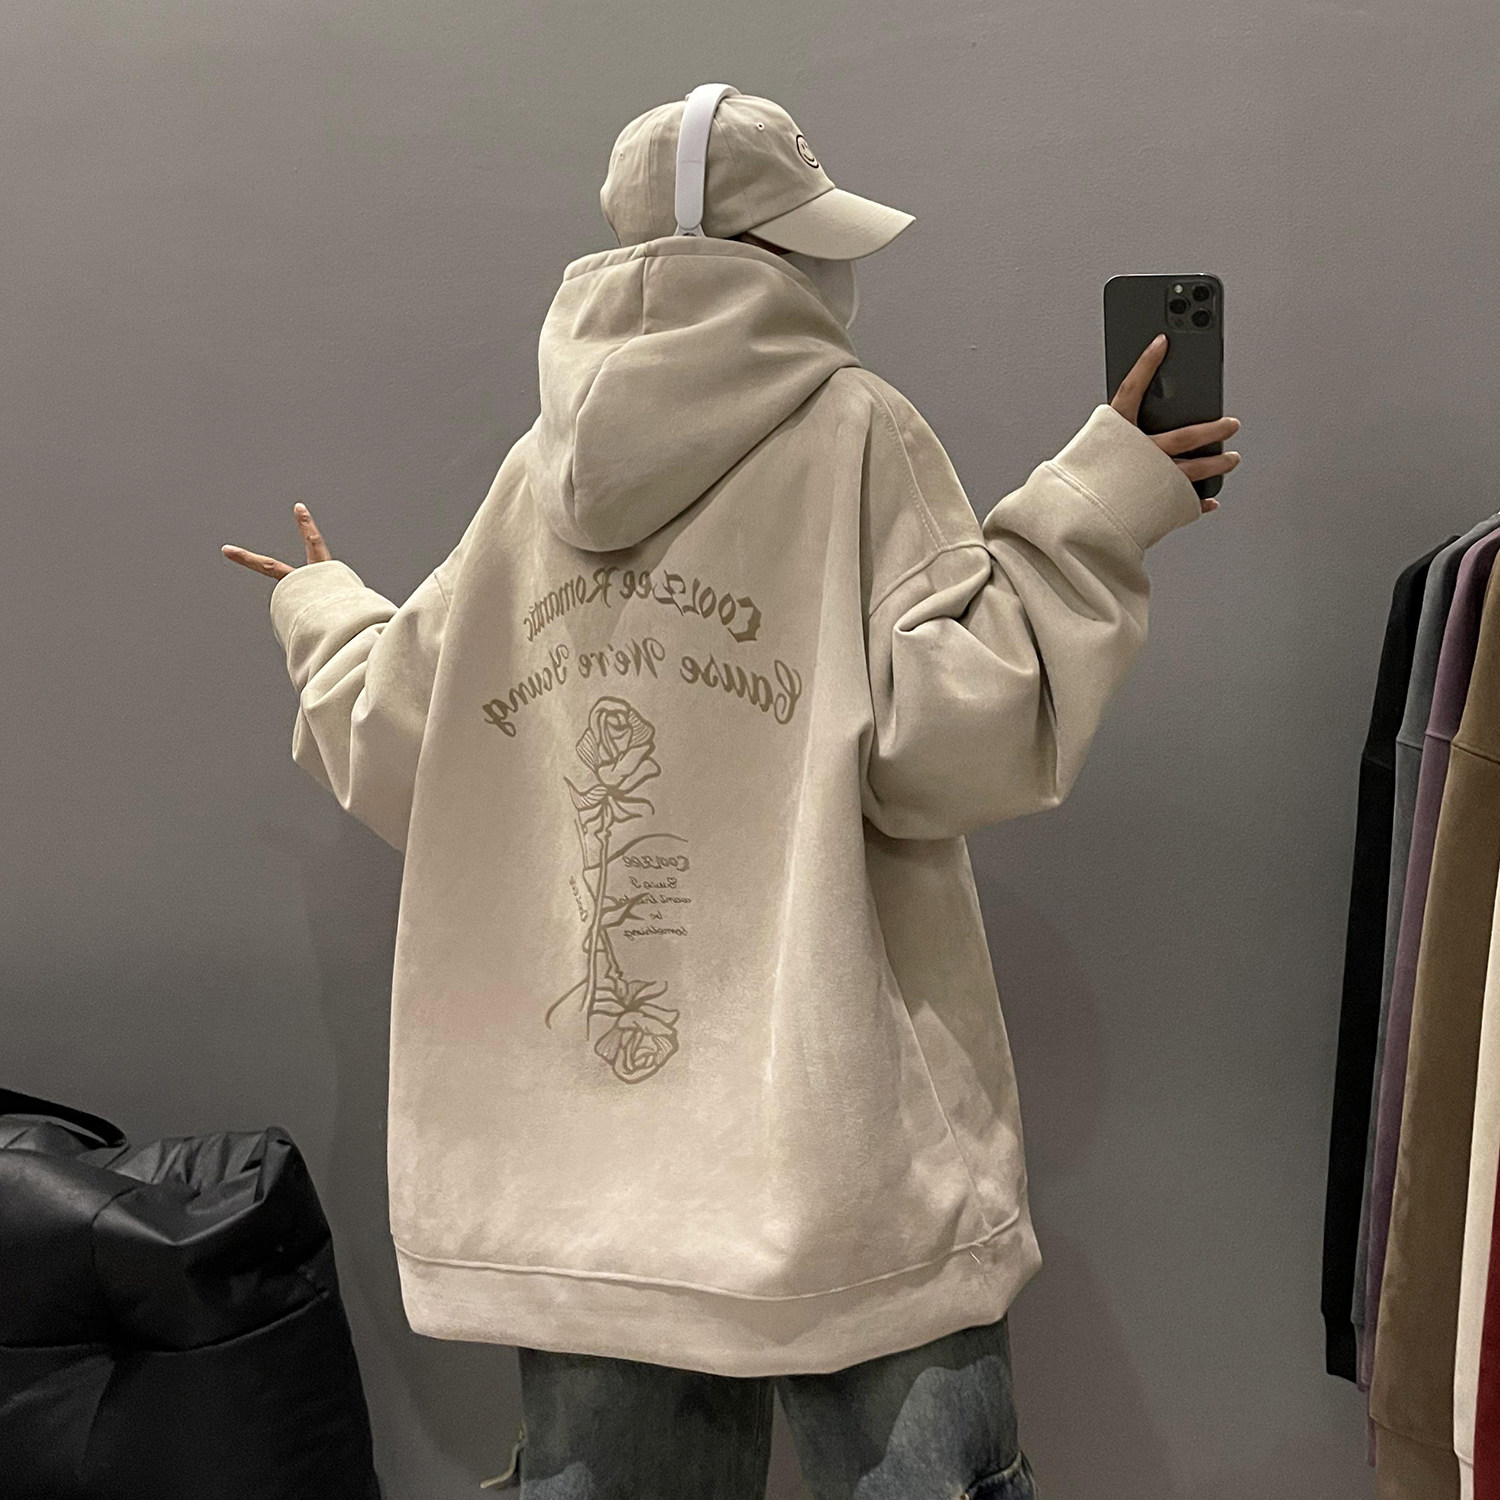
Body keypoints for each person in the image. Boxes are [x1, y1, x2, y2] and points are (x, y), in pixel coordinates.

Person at [222, 88, 1241, 1500]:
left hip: (594, 1183)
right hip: (835, 1146)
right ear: (779, 258)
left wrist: (326, 613)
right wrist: (1098, 509)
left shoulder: (531, 483)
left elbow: (413, 750)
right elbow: (945, 743)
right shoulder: (856, 431)